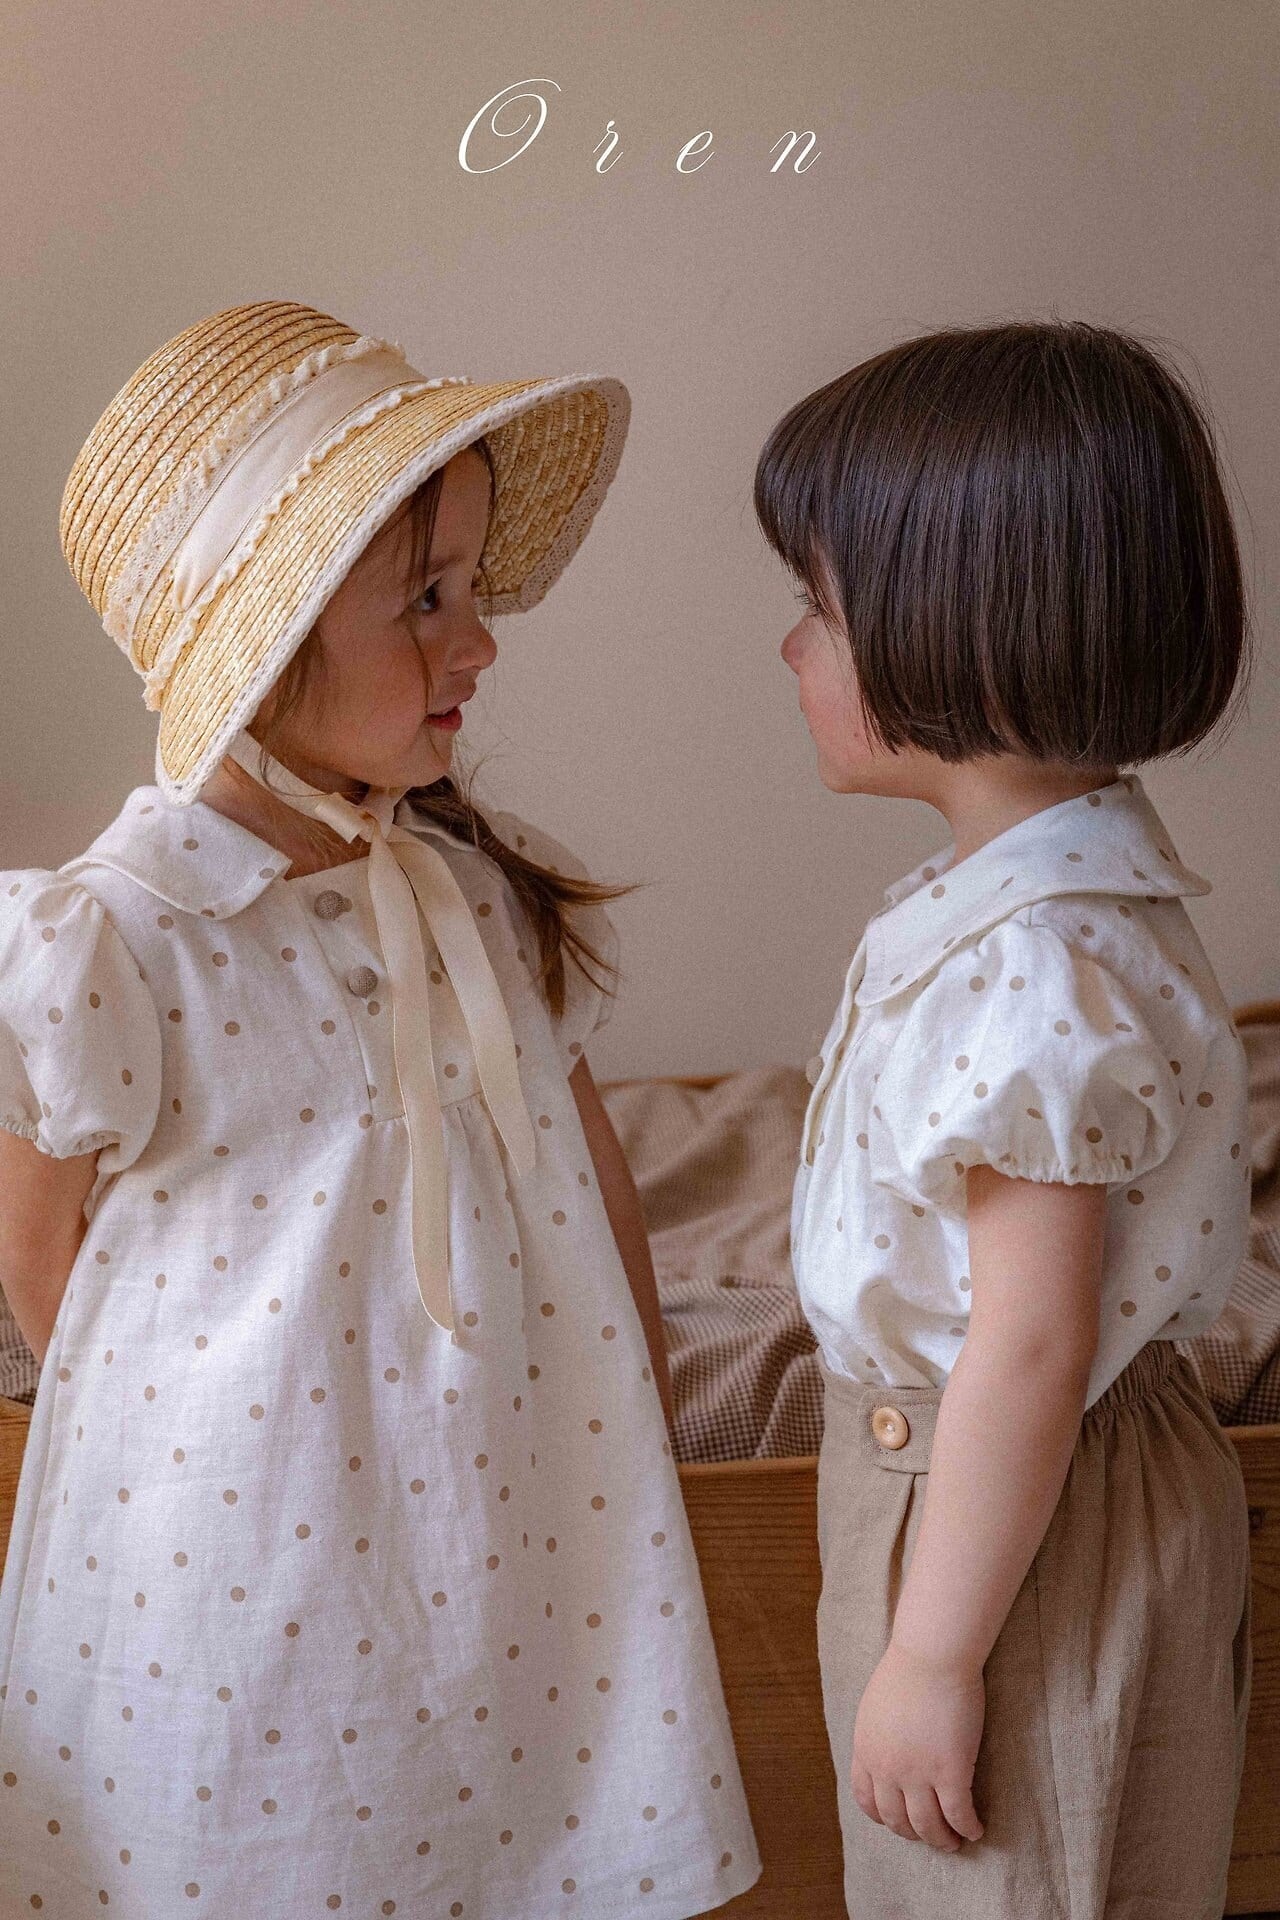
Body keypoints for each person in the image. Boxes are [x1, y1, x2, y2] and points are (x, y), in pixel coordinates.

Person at [0, 298, 760, 1917]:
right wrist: (211, 1452)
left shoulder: (470, 894)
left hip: (500, 1519)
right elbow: (45, 1268)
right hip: (239, 1556)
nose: (478, 643)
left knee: (500, 1823)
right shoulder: (120, 935)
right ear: (269, 641)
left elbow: (591, 1177)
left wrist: (635, 1434)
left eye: (472, 590)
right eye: (426, 599)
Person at [753, 318, 1254, 1918]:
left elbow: (1030, 1345)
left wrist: (932, 1653)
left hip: (1005, 1524)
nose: (791, 649)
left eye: (818, 606)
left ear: (956, 630)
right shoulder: (1022, 907)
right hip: (987, 1499)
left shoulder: (1037, 964)